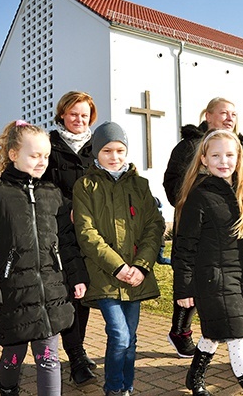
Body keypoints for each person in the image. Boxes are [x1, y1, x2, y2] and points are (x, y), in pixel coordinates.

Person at [0, 121, 86, 396]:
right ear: (12, 155)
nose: (42, 162)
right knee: (13, 356)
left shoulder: (53, 194)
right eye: (34, 155)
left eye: (45, 156)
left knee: (48, 359)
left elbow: (66, 242)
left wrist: (77, 276)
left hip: (51, 293)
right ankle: (8, 389)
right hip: (11, 294)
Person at [163, 97, 243, 372]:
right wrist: (203, 203)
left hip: (237, 235)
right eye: (223, 113)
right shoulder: (189, 146)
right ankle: (181, 331)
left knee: (239, 291)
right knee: (198, 290)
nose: (229, 118)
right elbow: (173, 183)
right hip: (204, 232)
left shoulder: (240, 148)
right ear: (208, 115)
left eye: (234, 113)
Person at [73, 122, 164, 396]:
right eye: (107, 150)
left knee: (131, 337)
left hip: (136, 276)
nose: (114, 156)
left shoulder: (140, 184)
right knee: (119, 334)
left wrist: (141, 266)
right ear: (96, 153)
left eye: (120, 150)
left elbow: (154, 226)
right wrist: (118, 267)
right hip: (105, 276)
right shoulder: (85, 186)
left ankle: (127, 387)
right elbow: (87, 233)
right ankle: (113, 388)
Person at [41, 91, 97, 385]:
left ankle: (79, 351)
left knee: (83, 294)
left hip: (88, 231)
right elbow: (40, 185)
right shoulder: (48, 145)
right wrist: (68, 209)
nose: (79, 119)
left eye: (84, 115)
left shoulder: (96, 147)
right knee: (66, 293)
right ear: (62, 114)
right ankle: (75, 356)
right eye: (73, 114)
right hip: (56, 230)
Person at [153, 197, 171, 265]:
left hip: (158, 243)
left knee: (160, 260)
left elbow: (162, 228)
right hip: (157, 242)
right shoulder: (158, 217)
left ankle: (174, 263)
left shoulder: (158, 218)